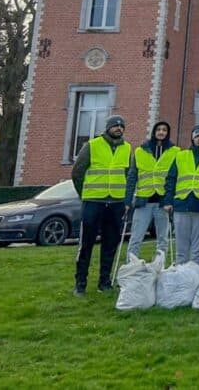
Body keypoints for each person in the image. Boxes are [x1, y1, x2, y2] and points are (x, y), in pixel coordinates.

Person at [71, 115, 131, 294]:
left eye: (121, 126)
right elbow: (77, 172)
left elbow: (129, 175)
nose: (118, 129)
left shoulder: (127, 148)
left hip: (116, 203)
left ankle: (104, 282)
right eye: (115, 126)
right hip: (94, 202)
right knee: (86, 244)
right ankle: (80, 283)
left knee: (110, 244)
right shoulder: (92, 145)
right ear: (108, 128)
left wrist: (126, 198)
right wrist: (85, 194)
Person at [167, 124, 199, 265]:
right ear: (192, 138)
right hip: (181, 204)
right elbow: (171, 179)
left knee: (198, 246)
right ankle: (180, 271)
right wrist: (168, 201)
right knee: (181, 245)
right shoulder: (181, 155)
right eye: (197, 136)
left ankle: (195, 272)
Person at [125, 121, 176, 259]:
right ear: (154, 132)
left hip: (162, 202)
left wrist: (170, 201)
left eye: (164, 130)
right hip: (143, 201)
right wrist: (128, 200)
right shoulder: (140, 151)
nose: (161, 132)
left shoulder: (175, 151)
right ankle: (131, 268)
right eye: (158, 129)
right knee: (136, 237)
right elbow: (132, 177)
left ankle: (158, 268)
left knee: (162, 240)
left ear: (168, 133)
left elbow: (174, 178)